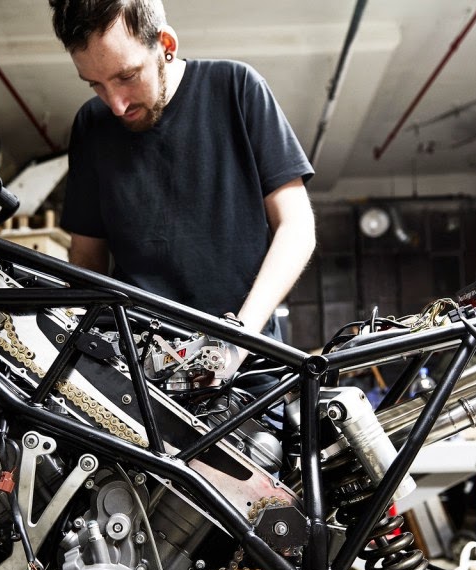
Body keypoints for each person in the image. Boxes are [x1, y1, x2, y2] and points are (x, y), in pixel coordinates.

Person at [49, 0, 316, 338]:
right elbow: (87, 258)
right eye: (95, 84)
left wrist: (239, 338)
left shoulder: (237, 88)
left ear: (166, 45)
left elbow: (296, 227)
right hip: (134, 355)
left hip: (248, 351)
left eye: (127, 76)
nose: (116, 104)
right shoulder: (91, 124)